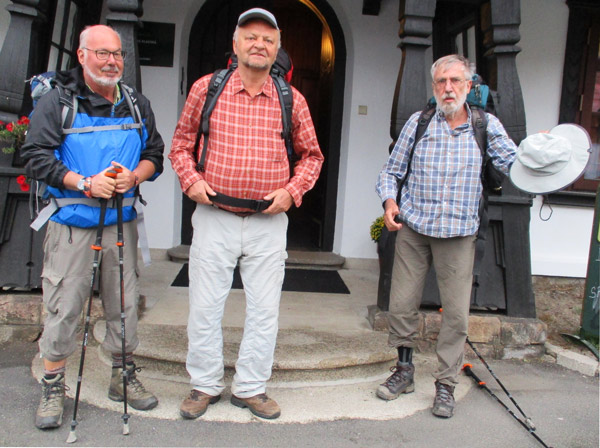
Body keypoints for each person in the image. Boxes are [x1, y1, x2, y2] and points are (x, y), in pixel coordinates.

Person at [169, 7, 323, 420]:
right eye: (251, 37)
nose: (260, 45)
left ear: (277, 49)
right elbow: (180, 144)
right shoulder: (207, 88)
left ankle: (251, 388)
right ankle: (203, 385)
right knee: (204, 306)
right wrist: (190, 180)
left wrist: (292, 192)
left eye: (268, 40)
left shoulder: (293, 99)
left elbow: (312, 157)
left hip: (268, 224)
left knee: (264, 310)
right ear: (236, 44)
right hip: (215, 215)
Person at [21, 24, 165, 429]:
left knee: (124, 304)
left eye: (117, 53)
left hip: (121, 222)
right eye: (101, 53)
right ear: (81, 56)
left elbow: (156, 153)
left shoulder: (136, 103)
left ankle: (123, 375)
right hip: (73, 225)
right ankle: (53, 384)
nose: (111, 61)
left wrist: (134, 176)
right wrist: (83, 182)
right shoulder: (58, 101)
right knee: (65, 306)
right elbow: (33, 155)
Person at [375, 54, 516, 418]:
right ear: (434, 87)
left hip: (458, 234)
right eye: (441, 81)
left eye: (455, 81)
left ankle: (446, 384)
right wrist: (390, 202)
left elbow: (516, 164)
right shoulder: (418, 123)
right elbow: (391, 171)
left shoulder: (487, 126)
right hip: (415, 229)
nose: (448, 88)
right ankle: (404, 371)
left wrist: (545, 154)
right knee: (402, 304)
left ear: (469, 86)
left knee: (455, 315)